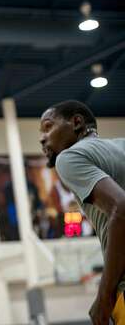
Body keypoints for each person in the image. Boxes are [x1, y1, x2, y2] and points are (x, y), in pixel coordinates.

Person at [39, 100, 125, 324]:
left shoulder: (69, 158)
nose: (42, 138)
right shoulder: (121, 146)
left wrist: (104, 297)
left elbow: (121, 207)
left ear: (76, 122)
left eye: (48, 127)